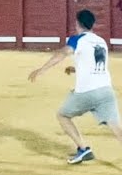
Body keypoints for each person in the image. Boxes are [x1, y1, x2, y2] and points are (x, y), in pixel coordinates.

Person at [28, 9, 121, 164]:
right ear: (93, 25)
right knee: (117, 128)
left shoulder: (77, 40)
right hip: (106, 90)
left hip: (86, 93)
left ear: (77, 24)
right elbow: (96, 65)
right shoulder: (101, 42)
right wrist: (76, 69)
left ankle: (84, 149)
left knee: (63, 115)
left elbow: (63, 53)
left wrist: (41, 70)